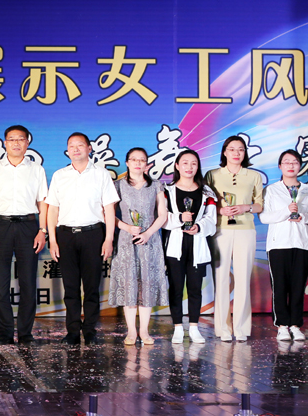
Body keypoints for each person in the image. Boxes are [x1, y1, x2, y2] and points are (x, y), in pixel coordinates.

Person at [46, 132, 117, 345]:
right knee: (70, 287)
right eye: (71, 146)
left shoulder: (101, 174)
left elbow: (109, 208)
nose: (75, 149)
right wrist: (52, 240)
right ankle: (73, 332)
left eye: (80, 145)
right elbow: (52, 209)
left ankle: (90, 330)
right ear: (67, 150)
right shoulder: (59, 175)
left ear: (89, 148)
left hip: (93, 235)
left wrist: (109, 239)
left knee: (92, 287)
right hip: (65, 235)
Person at [0, 125, 48, 345]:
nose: (16, 143)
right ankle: (5, 334)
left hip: (28, 226)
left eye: (20, 139)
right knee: (0, 284)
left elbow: (42, 202)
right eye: (11, 139)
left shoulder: (36, 169)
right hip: (0, 226)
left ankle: (26, 333)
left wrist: (42, 230)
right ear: (5, 143)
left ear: (28, 142)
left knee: (28, 283)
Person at [205, 136, 264, 342]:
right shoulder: (212, 175)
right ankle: (223, 329)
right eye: (232, 149)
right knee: (221, 278)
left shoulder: (253, 176)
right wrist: (220, 210)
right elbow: (206, 203)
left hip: (246, 230)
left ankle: (241, 328)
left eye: (240, 149)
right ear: (224, 152)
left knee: (243, 278)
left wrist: (245, 207)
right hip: (220, 230)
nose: (236, 153)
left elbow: (259, 205)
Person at [108, 147, 169, 346]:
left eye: (142, 160)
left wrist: (147, 233)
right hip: (126, 241)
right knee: (129, 285)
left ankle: (144, 330)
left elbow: (162, 215)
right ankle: (131, 331)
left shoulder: (156, 185)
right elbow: (109, 215)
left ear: (147, 164)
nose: (138, 163)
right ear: (127, 163)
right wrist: (127, 227)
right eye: (134, 159)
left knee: (146, 286)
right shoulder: (117, 186)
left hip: (150, 241)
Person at [260, 150, 308, 341]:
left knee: (298, 286)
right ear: (280, 166)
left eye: (294, 162)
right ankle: (282, 325)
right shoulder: (271, 190)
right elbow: (264, 217)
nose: (290, 165)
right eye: (286, 162)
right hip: (278, 244)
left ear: (300, 166)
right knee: (280, 286)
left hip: (302, 243)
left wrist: (303, 216)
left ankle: (295, 324)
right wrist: (287, 211)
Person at [162, 150, 216, 344]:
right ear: (177, 166)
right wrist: (179, 218)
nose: (189, 167)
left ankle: (194, 327)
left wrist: (199, 226)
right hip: (175, 245)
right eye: (185, 163)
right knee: (176, 288)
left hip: (197, 243)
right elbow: (161, 218)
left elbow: (212, 219)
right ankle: (177, 327)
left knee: (195, 288)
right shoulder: (167, 190)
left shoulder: (206, 192)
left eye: (193, 163)